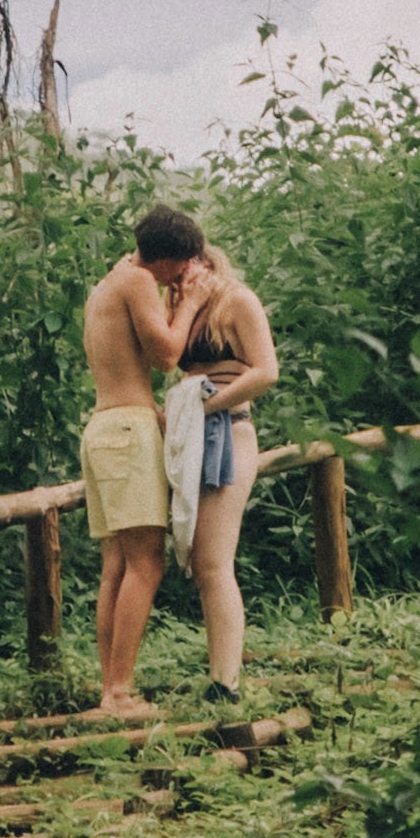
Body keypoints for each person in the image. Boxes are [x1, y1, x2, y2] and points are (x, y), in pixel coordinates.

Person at [79, 205, 210, 707]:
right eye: (181, 267)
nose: (182, 277)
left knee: (117, 564)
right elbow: (167, 355)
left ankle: (111, 686)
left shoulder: (110, 281)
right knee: (146, 564)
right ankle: (120, 689)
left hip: (105, 426)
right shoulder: (136, 282)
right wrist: (193, 302)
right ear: (167, 260)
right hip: (127, 432)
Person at [169, 238, 280, 697]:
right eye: (172, 279)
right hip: (192, 435)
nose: (179, 284)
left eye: (185, 274)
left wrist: (209, 405)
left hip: (230, 431)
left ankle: (226, 683)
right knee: (199, 561)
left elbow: (266, 371)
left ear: (207, 262)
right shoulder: (184, 307)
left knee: (214, 562)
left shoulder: (238, 301)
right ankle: (219, 672)